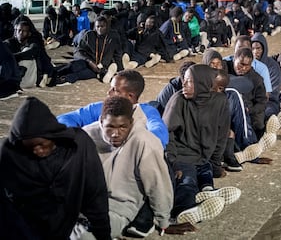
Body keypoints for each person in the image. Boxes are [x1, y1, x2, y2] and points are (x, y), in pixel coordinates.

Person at [0, 97, 111, 239]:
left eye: (42, 145)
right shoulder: (9, 153)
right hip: (22, 227)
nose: (37, 151)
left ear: (53, 135)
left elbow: (95, 191)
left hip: (62, 226)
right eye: (30, 147)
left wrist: (104, 234)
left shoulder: (78, 146)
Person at [81, 96, 173, 239]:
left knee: (82, 236)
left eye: (122, 127)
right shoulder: (86, 136)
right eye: (110, 127)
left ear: (131, 123)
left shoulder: (145, 142)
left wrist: (163, 220)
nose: (115, 134)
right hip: (82, 203)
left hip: (118, 209)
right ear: (100, 121)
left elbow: (157, 184)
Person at [163, 64, 241, 225]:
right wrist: (172, 160)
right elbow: (165, 134)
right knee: (187, 181)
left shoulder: (220, 101)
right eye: (184, 81)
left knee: (206, 172)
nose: (184, 85)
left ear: (202, 83)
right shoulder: (178, 100)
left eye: (189, 82)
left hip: (203, 157)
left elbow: (221, 136)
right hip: (181, 156)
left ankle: (206, 192)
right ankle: (182, 211)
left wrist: (215, 163)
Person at [57, 69, 168, 149]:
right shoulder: (101, 107)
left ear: (130, 96)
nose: (108, 93)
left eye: (115, 90)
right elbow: (65, 119)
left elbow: (159, 133)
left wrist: (132, 144)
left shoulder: (147, 111)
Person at [54, 15, 124, 85]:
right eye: (97, 26)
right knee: (74, 66)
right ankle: (52, 73)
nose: (99, 29)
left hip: (100, 68)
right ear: (94, 27)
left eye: (102, 26)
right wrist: (89, 62)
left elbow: (118, 54)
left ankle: (64, 79)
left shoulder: (113, 37)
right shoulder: (89, 35)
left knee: (82, 74)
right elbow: (78, 52)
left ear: (107, 27)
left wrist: (120, 70)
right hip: (87, 62)